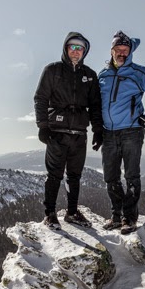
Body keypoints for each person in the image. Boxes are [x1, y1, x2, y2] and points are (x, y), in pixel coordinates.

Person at [95, 30, 145, 235]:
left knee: (131, 176)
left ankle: (129, 218)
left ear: (130, 52)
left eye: (125, 50)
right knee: (110, 177)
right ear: (111, 51)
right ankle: (116, 216)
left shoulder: (138, 73)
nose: (122, 53)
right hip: (108, 133)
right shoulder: (103, 75)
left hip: (131, 131)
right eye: (118, 49)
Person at [34, 31, 104, 229]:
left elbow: (95, 105)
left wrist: (98, 130)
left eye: (80, 48)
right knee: (54, 175)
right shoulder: (53, 70)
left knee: (75, 176)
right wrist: (43, 126)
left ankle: (72, 212)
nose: (76, 51)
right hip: (57, 132)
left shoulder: (89, 75)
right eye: (72, 47)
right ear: (66, 48)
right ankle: (50, 214)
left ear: (85, 51)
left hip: (79, 134)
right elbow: (41, 98)